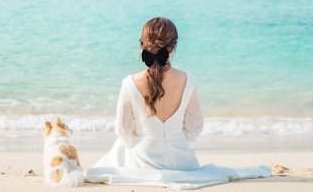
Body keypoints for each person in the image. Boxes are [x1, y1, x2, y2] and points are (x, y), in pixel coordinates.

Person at [85, 17, 271, 189]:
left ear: (143, 45)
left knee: (120, 147)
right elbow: (195, 128)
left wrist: (137, 141)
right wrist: (178, 138)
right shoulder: (187, 79)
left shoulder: (129, 83)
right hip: (185, 163)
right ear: (173, 47)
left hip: (144, 163)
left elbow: (124, 131)